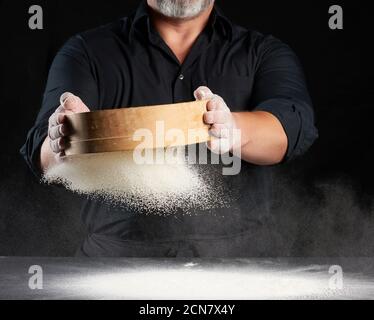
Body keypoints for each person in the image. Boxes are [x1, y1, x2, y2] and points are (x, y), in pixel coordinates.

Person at [21, 0, 318, 257]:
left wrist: (234, 130)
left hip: (242, 264)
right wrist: (63, 143)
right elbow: (42, 151)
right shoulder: (85, 52)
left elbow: (291, 127)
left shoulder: (264, 52)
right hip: (113, 264)